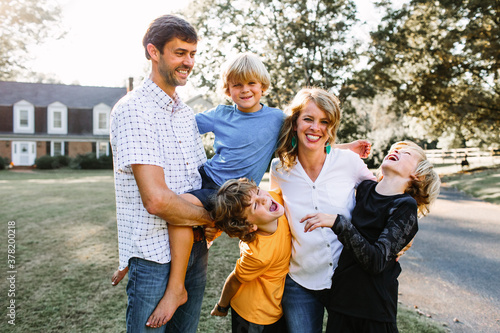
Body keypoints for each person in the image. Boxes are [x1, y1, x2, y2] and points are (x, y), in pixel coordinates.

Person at [109, 15, 213, 333]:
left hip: (195, 250)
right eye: (180, 52)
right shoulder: (133, 110)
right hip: (154, 256)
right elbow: (156, 200)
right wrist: (214, 219)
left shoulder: (185, 113)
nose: (188, 62)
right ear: (154, 52)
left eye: (193, 54)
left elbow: (196, 182)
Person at [301, 140, 441, 332]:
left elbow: (376, 261)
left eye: (406, 153)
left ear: (418, 174)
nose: (396, 151)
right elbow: (317, 152)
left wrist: (338, 223)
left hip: (374, 309)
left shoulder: (404, 205)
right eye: (394, 150)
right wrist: (347, 148)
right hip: (341, 301)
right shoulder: (364, 189)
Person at [269, 87, 376, 333]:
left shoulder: (348, 162)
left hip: (347, 280)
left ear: (331, 127)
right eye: (308, 119)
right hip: (300, 281)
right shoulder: (279, 170)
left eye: (324, 121)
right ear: (295, 123)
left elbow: (379, 201)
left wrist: (391, 241)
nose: (315, 127)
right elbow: (275, 218)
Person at [210, 178, 290, 333]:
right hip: (252, 314)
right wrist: (222, 305)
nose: (264, 198)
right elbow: (234, 280)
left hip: (275, 307)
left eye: (258, 191)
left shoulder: (275, 200)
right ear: (250, 226)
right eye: (255, 205)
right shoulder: (257, 254)